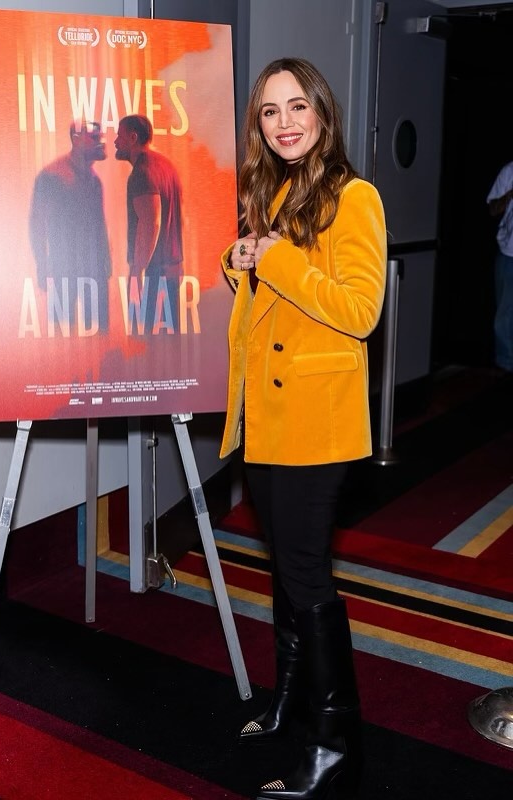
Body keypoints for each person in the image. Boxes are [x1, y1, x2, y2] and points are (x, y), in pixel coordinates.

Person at [220, 58, 387, 800]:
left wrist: (277, 258)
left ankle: (334, 742)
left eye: (296, 107)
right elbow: (268, 296)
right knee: (286, 570)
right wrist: (241, 260)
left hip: (317, 421)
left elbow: (359, 311)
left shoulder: (355, 197)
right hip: (267, 414)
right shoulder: (279, 192)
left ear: (322, 111)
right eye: (269, 112)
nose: (284, 123)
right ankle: (290, 699)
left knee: (308, 575)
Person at [29, 120, 111, 333]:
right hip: (63, 269)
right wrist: (42, 264)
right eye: (94, 137)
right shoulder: (52, 176)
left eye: (100, 137)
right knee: (62, 333)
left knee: (98, 334)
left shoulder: (94, 180)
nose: (101, 142)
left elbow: (99, 224)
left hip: (92, 269)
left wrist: (105, 261)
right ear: (76, 140)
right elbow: (37, 224)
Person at [114, 114, 183, 334]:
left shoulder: (142, 173)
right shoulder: (166, 166)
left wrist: (137, 271)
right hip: (171, 270)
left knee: (143, 345)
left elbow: (150, 222)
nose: (115, 142)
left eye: (119, 136)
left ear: (133, 138)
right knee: (167, 346)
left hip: (151, 274)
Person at [486, 160, 513, 372]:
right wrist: (509, 194)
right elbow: (492, 209)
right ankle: (505, 366)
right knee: (504, 316)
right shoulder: (509, 171)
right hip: (508, 253)